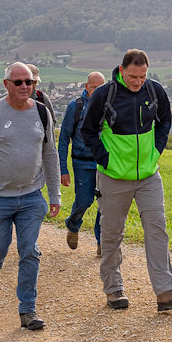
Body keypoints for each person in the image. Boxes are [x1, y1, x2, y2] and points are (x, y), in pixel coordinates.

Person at [82, 49, 172, 312]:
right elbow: (88, 131)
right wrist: (105, 160)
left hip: (148, 176)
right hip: (113, 176)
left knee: (157, 230)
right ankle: (113, 289)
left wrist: (156, 152)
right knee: (112, 233)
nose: (138, 82)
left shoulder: (155, 91)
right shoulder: (104, 95)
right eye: (132, 77)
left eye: (142, 76)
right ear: (121, 70)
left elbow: (165, 123)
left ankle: (165, 292)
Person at [0, 62, 61, 330]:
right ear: (6, 84)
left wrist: (54, 194)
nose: (25, 86)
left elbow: (50, 155)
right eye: (18, 82)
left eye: (29, 82)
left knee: (30, 251)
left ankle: (27, 309)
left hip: (31, 197)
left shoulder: (41, 112)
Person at [57, 71, 106, 253]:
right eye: (93, 87)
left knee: (105, 204)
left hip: (105, 164)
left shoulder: (109, 107)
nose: (97, 91)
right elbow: (63, 139)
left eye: (100, 88)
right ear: (86, 87)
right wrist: (63, 169)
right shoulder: (75, 107)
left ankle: (102, 242)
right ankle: (73, 224)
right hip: (82, 163)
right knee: (84, 200)